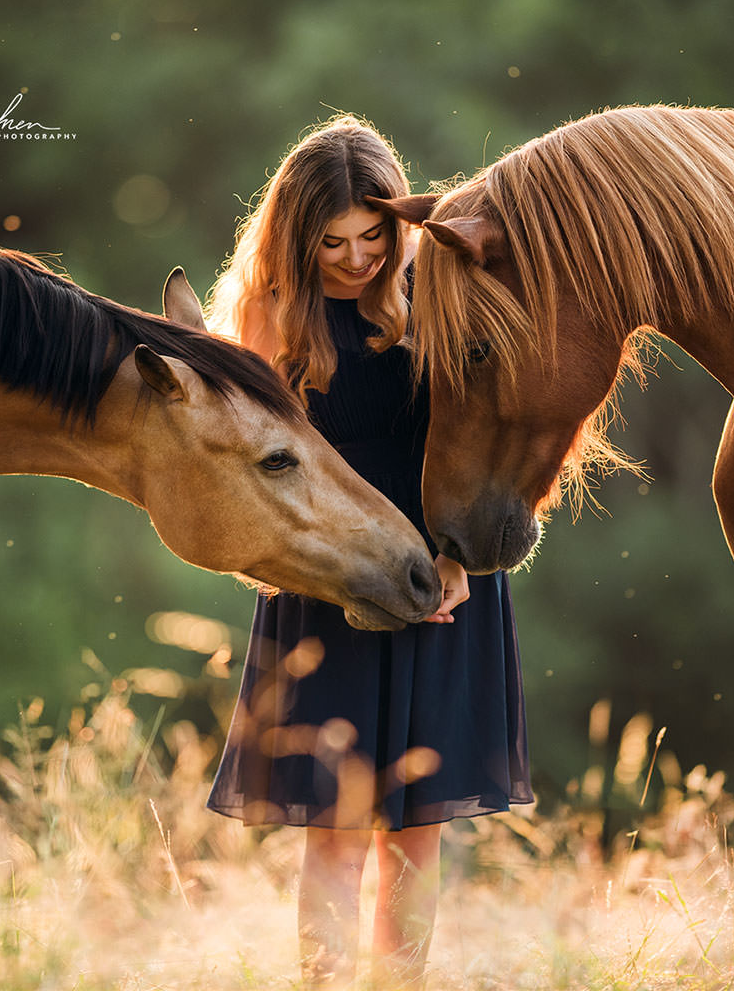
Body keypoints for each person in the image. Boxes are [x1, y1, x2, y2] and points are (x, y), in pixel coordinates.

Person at [204, 114, 532, 989]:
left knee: (418, 839)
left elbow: (492, 441)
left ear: (400, 224)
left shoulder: (445, 293)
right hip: (329, 585)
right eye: (333, 242)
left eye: (373, 235)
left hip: (446, 580)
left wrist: (461, 565)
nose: (356, 258)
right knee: (337, 836)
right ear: (294, 239)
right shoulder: (269, 315)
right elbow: (248, 467)